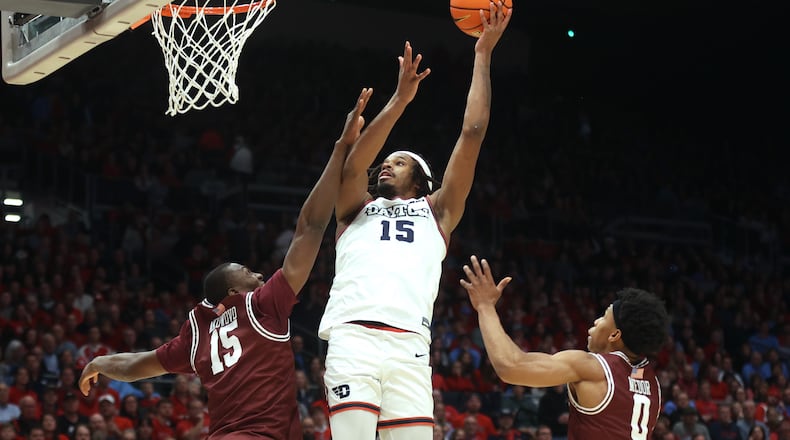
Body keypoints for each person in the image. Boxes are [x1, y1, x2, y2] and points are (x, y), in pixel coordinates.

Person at [78, 88, 374, 440]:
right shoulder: (262, 304)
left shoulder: (196, 336)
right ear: (233, 290)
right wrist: (341, 147)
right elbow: (310, 225)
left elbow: (136, 365)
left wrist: (98, 363)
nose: (261, 274)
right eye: (249, 272)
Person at [317, 3, 512, 439]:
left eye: (398, 162)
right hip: (354, 341)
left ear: (422, 179)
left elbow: (473, 132)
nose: (385, 166)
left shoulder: (438, 212)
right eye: (385, 162)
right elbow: (351, 167)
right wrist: (400, 100)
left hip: (410, 348)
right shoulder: (354, 210)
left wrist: (482, 56)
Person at [460, 256, 669, 440]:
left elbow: (511, 367)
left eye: (603, 317)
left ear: (615, 335)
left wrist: (485, 307)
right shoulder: (654, 385)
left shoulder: (592, 368)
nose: (595, 322)